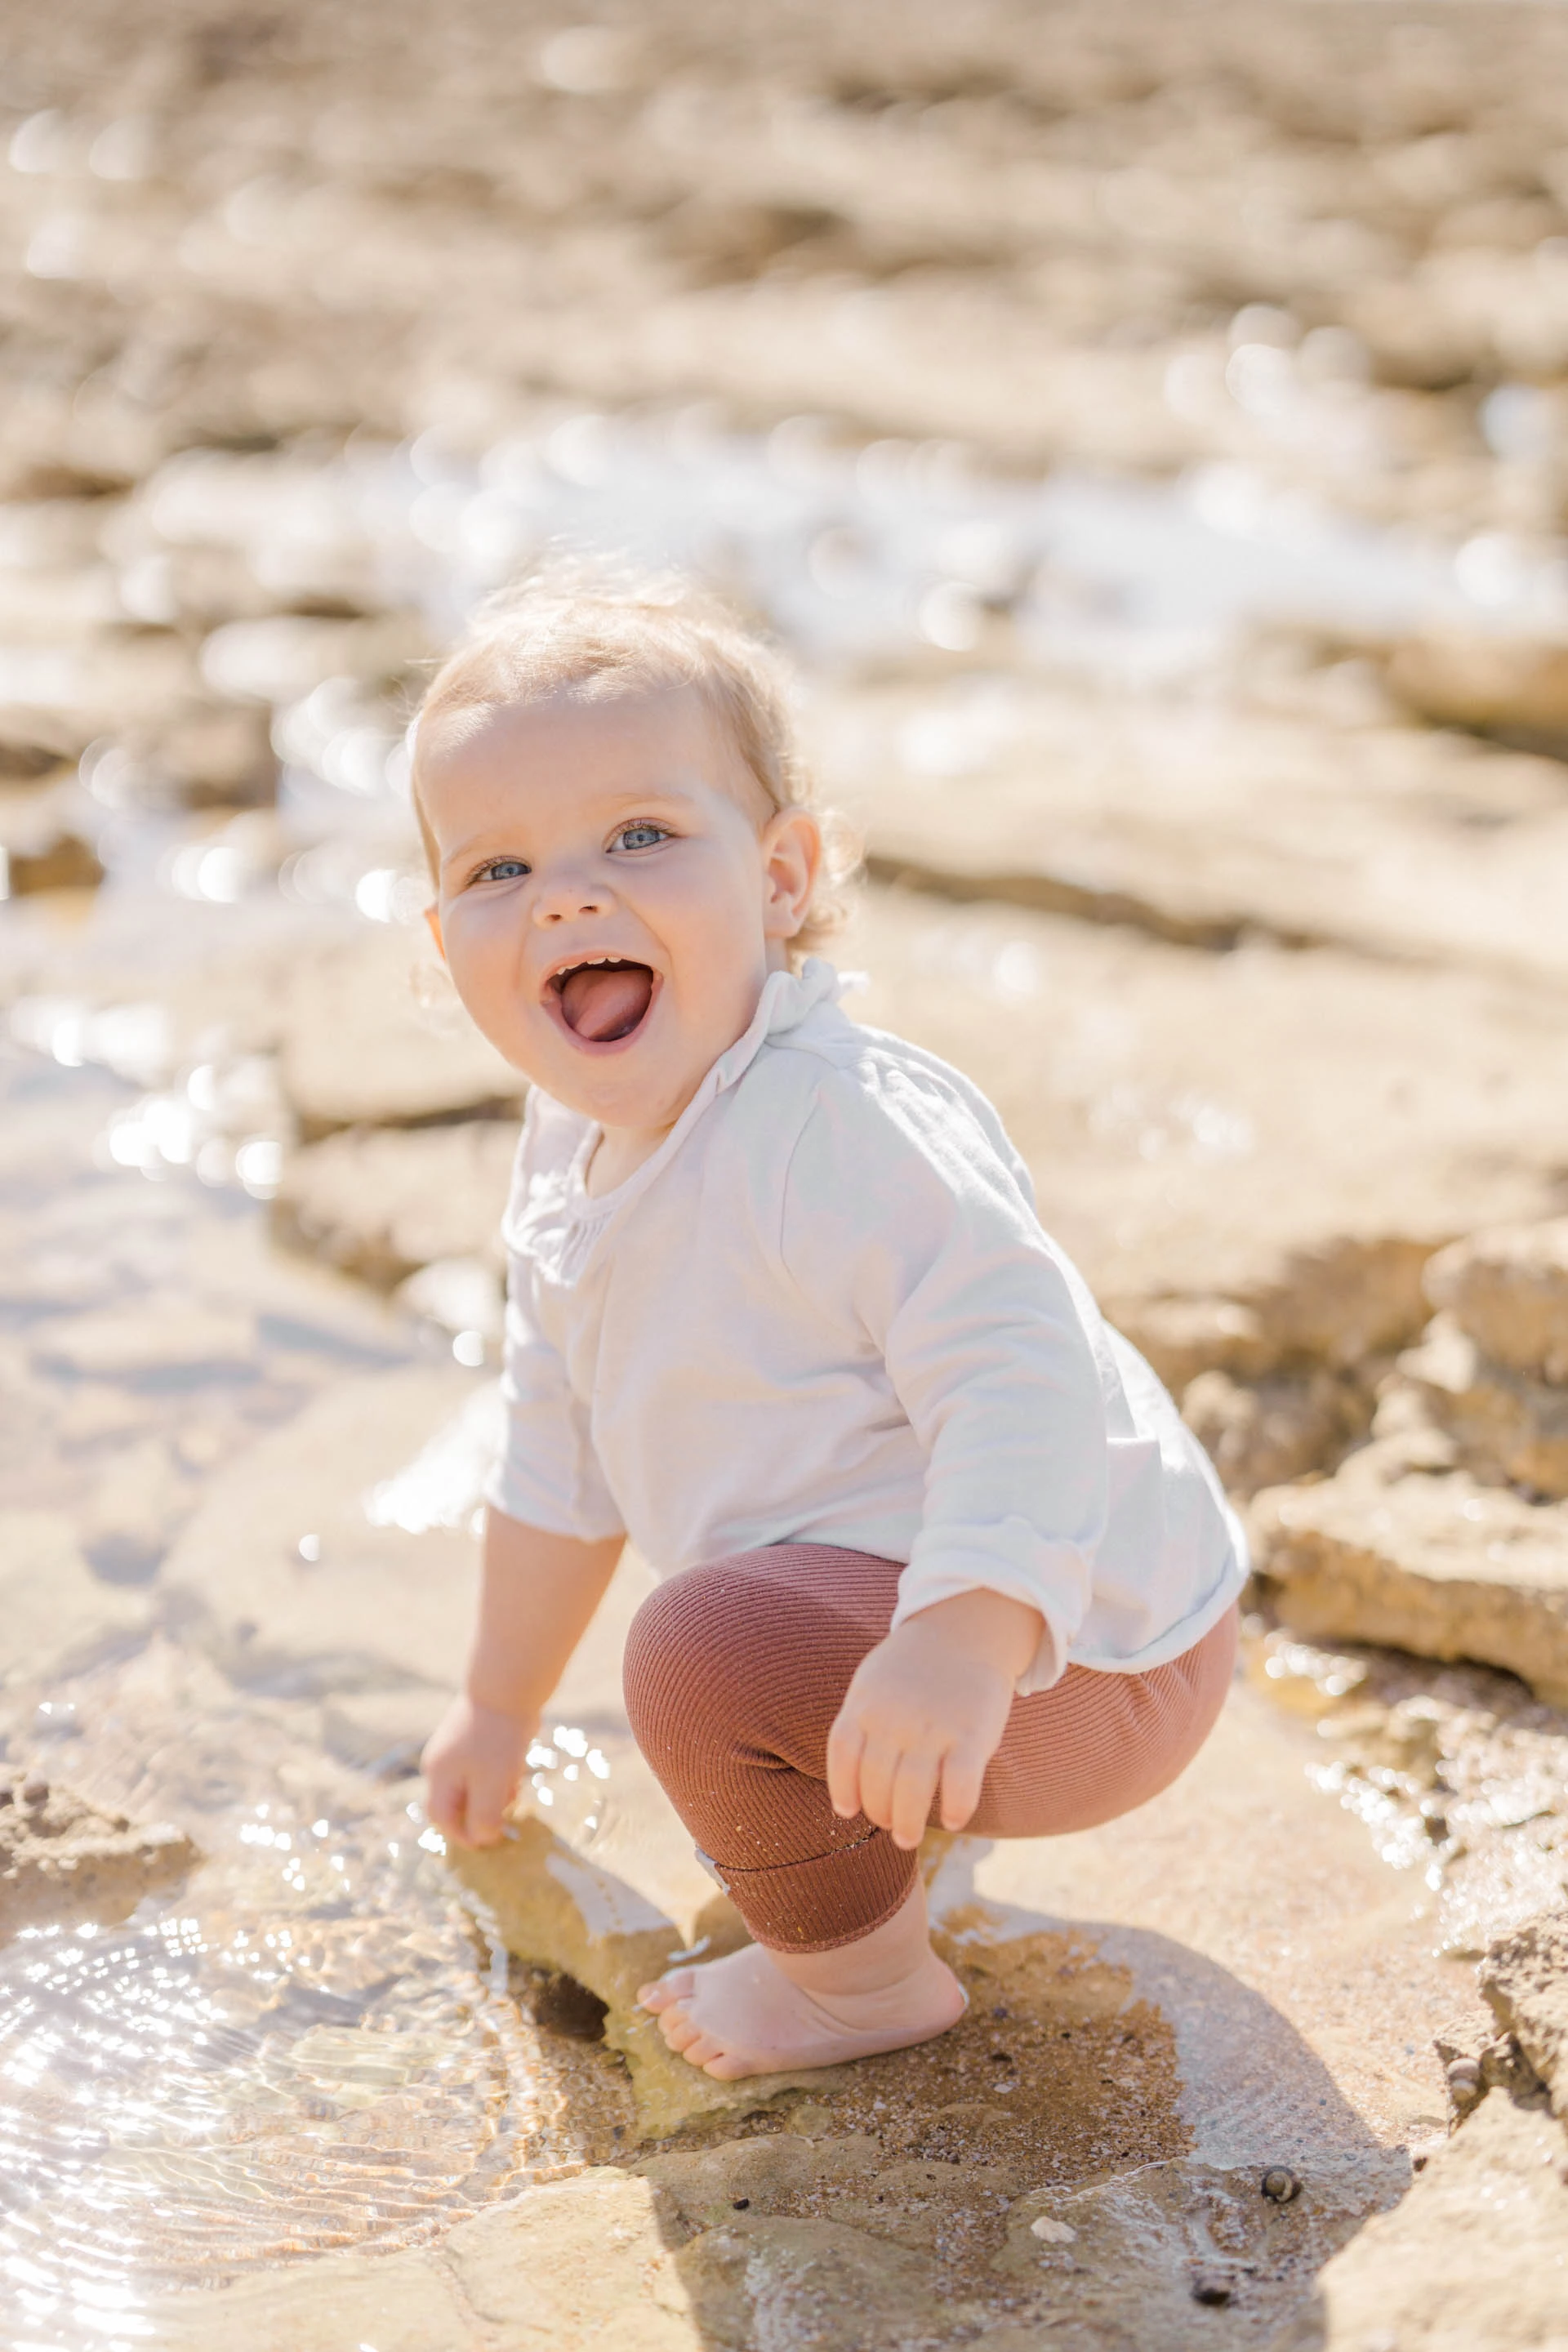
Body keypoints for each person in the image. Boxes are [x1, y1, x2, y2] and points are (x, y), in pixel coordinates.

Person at [418, 565, 1246, 2082]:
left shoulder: (833, 1126)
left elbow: (1023, 1371)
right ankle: (878, 1813)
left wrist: (960, 1638)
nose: (569, 894)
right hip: (939, 1626)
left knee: (699, 1651)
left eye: (641, 837)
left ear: (783, 878)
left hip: (1093, 1648)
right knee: (730, 1633)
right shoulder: (565, 1159)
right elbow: (556, 1458)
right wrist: (495, 1705)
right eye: (498, 871)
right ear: (446, 944)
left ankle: (862, 1989)